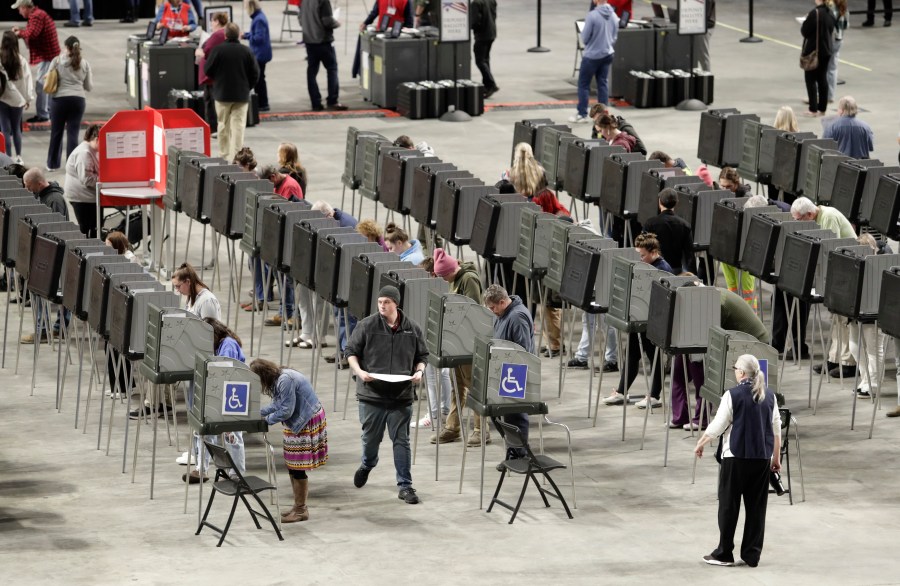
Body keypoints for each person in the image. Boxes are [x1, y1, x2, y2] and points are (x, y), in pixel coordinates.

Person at [694, 354, 782, 568]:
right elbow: (777, 428)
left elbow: (719, 424)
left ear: (741, 373)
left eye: (736, 368)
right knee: (756, 508)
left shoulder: (732, 395)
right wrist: (776, 459)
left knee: (728, 506)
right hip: (761, 459)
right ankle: (752, 554)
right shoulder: (769, 396)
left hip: (735, 459)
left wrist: (702, 442)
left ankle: (724, 553)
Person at [346, 285, 427, 505]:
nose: (382, 306)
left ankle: (405, 486)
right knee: (371, 439)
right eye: (380, 302)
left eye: (387, 302)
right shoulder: (367, 326)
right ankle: (367, 464)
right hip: (372, 394)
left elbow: (422, 356)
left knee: (401, 440)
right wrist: (360, 372)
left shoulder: (412, 328)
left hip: (400, 395)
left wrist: (419, 371)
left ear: (396, 304)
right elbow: (351, 352)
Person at [671, 282, 770, 431]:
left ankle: (702, 418)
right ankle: (681, 416)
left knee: (698, 363)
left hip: (754, 344)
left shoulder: (717, 304)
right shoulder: (709, 296)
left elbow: (710, 337)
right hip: (736, 339)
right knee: (680, 364)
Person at [252, 358, 328, 522]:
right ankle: (298, 506)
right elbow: (278, 404)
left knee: (297, 466)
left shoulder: (285, 380)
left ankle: (301, 510)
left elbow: (286, 410)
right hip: (300, 420)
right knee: (292, 465)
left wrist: (265, 421)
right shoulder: (279, 378)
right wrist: (258, 413)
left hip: (306, 420)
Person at [602, 233, 673, 407]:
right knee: (632, 354)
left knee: (653, 357)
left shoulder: (663, 270)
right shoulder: (646, 266)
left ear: (654, 251)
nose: (640, 259)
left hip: (653, 322)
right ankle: (621, 392)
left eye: (642, 255)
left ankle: (655, 396)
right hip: (640, 318)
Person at [791, 197, 857, 376]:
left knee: (844, 320)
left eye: (798, 220)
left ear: (810, 214)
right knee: (835, 320)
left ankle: (849, 363)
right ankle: (834, 358)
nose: (797, 224)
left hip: (847, 272)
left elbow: (831, 250)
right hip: (837, 272)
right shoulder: (817, 217)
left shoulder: (828, 217)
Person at [431, 248, 488, 445]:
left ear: (449, 271)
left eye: (443, 276)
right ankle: (452, 427)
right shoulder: (455, 279)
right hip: (457, 341)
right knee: (458, 385)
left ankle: (481, 430)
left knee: (473, 386)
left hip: (469, 342)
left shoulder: (468, 279)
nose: (443, 280)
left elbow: (472, 310)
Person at [483, 284, 534, 465]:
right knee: (500, 415)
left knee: (515, 416)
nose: (492, 311)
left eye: (493, 307)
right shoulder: (503, 314)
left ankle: (520, 454)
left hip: (516, 372)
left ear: (503, 302)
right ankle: (514, 450)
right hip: (504, 370)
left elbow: (523, 350)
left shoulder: (517, 317)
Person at [20, 167, 70, 345]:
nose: (27, 190)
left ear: (38, 183)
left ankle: (51, 329)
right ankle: (50, 328)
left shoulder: (54, 200)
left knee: (55, 292)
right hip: (46, 252)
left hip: (55, 254)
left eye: (28, 186)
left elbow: (56, 230)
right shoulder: (42, 197)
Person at [204, 23, 258, 162]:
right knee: (238, 127)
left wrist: (218, 80)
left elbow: (207, 70)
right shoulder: (246, 51)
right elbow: (255, 73)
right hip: (241, 95)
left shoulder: (218, 50)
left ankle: (224, 155)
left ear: (225, 35)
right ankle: (237, 158)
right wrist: (247, 87)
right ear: (239, 34)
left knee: (223, 125)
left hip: (222, 95)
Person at [851, 234, 892, 400]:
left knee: (874, 350)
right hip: (855, 314)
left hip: (874, 316)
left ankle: (873, 385)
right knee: (855, 348)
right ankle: (865, 379)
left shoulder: (883, 264)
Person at [46, 36, 92, 173]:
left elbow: (49, 79)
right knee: (73, 133)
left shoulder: (57, 61)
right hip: (78, 100)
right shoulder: (84, 63)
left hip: (59, 101)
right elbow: (89, 86)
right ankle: (72, 166)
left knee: (56, 132)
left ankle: (52, 164)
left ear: (66, 47)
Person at [11, 0, 60, 124]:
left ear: (25, 7)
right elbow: (32, 31)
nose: (19, 11)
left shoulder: (36, 16)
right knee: (47, 85)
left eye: (19, 9)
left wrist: (19, 33)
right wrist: (21, 31)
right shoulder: (37, 14)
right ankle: (48, 111)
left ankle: (43, 115)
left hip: (49, 56)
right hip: (50, 55)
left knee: (41, 85)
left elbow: (32, 34)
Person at [570, 0, 618, 124]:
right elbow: (614, 36)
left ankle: (582, 114)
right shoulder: (613, 14)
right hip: (607, 54)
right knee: (602, 83)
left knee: (584, 85)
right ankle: (602, 116)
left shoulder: (592, 16)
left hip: (592, 56)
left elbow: (585, 38)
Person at [301, 0, 348, 112]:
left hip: (309, 40)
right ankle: (332, 100)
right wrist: (337, 22)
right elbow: (327, 21)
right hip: (323, 41)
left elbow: (300, 18)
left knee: (312, 71)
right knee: (332, 69)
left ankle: (315, 103)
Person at [642, 188, 695, 275]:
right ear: (676, 203)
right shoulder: (685, 225)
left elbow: (643, 248)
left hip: (655, 269)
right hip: (676, 271)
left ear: (660, 202)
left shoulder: (650, 223)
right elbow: (689, 256)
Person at [0, 31, 32, 163]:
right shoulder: (21, 60)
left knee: (5, 130)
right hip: (18, 101)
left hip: (2, 98)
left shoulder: (0, 59)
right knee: (16, 129)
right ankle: (19, 157)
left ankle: (7, 157)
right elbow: (27, 80)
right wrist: (28, 98)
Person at [63, 123, 100, 238]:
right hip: (82, 198)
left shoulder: (90, 150)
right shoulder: (84, 153)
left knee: (92, 227)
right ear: (97, 139)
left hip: (85, 196)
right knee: (87, 228)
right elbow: (87, 179)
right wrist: (106, 182)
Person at [195, 11, 228, 136]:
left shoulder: (217, 35)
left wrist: (198, 52)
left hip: (212, 76)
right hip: (215, 75)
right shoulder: (223, 34)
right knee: (210, 100)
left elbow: (206, 52)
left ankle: (214, 129)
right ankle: (213, 128)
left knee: (212, 102)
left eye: (212, 21)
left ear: (217, 21)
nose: (211, 24)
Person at [800, 0, 835, 118]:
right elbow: (831, 29)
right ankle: (822, 108)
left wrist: (806, 21)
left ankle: (813, 109)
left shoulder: (814, 13)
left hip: (814, 51)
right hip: (826, 50)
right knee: (822, 78)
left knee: (810, 79)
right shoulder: (830, 12)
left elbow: (804, 31)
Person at [243, 0, 272, 112]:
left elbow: (259, 38)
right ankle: (262, 102)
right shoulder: (258, 17)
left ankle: (263, 103)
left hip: (260, 54)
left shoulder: (259, 19)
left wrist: (249, 37)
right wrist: (245, 35)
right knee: (259, 78)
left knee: (259, 79)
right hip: (260, 53)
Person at [471, 0, 498, 99]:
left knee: (480, 61)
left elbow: (475, 21)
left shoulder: (476, 3)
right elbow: (494, 15)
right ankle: (487, 85)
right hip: (491, 33)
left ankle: (491, 84)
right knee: (485, 60)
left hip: (481, 35)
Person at [826, 0, 848, 101]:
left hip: (829, 40)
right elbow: (846, 25)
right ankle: (830, 96)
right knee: (833, 69)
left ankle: (820, 94)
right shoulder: (843, 7)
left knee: (823, 68)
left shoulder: (830, 7)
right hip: (839, 40)